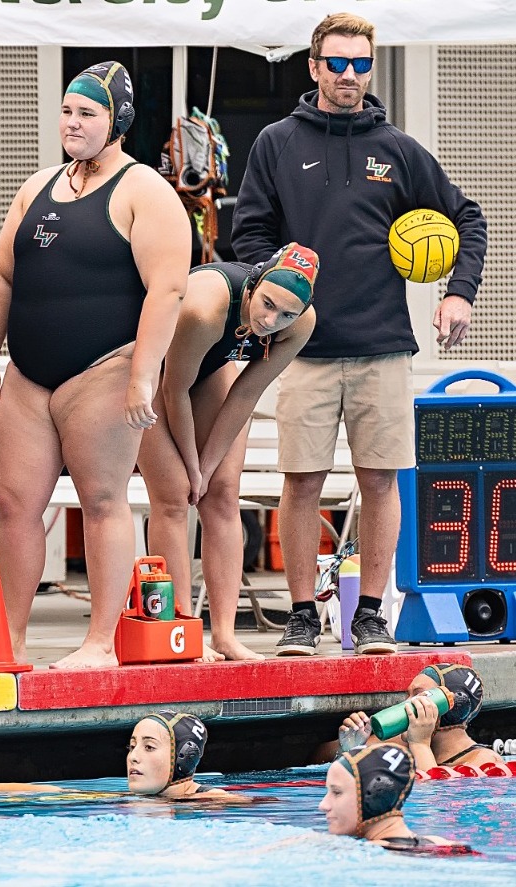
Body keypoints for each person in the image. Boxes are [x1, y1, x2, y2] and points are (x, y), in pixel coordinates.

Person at [232, 13, 487, 657]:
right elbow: (248, 238)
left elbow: (468, 217)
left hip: (383, 345)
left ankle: (370, 615)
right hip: (302, 347)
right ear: (313, 67)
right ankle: (299, 618)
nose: (349, 75)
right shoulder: (276, 144)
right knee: (302, 483)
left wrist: (457, 293)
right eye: (337, 63)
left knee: (379, 483)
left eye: (361, 64)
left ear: (371, 68)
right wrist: (275, 278)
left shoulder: (397, 149)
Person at [0, 62, 189, 669]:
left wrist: (144, 374)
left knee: (101, 498)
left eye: (87, 113)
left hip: (105, 368)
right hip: (29, 375)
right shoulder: (38, 186)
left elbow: (167, 291)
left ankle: (100, 641)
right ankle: (8, 641)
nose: (72, 122)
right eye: (68, 110)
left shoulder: (145, 190)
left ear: (116, 121)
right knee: (13, 503)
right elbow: (1, 278)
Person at [138, 243, 320, 662]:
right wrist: (192, 465)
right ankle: (181, 628)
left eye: (285, 315)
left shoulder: (301, 323)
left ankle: (224, 634)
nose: (270, 321)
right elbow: (173, 390)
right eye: (268, 305)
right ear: (255, 284)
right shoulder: (206, 309)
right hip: (147, 370)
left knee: (221, 495)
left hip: (208, 372)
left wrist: (208, 466)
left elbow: (246, 394)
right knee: (173, 495)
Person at [0, 712, 247, 802]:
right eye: (132, 745)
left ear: (183, 758)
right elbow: (58, 793)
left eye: (149, 747)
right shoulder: (152, 798)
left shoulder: (215, 800)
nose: (133, 758)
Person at [335, 663, 502, 771]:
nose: (406, 704)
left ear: (453, 706)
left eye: (418, 695)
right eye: (407, 696)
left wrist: (420, 744)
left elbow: (432, 803)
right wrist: (347, 751)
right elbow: (315, 759)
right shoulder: (401, 744)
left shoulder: (484, 761)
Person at [321, 743, 470, 852]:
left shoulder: (355, 854)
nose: (323, 805)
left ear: (373, 796)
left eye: (337, 792)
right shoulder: (446, 846)